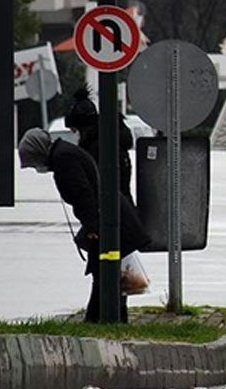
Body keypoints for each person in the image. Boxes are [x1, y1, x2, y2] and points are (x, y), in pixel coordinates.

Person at [18, 128, 151, 323]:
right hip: (110, 216)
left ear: (38, 153)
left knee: (105, 272)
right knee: (107, 272)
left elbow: (82, 193)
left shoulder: (63, 159)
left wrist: (92, 227)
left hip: (107, 220)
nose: (36, 167)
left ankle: (101, 319)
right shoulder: (64, 152)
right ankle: (109, 318)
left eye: (33, 162)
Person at [64, 88, 134, 203]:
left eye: (75, 130)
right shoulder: (110, 138)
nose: (75, 135)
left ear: (83, 126)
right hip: (124, 205)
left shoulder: (95, 147)